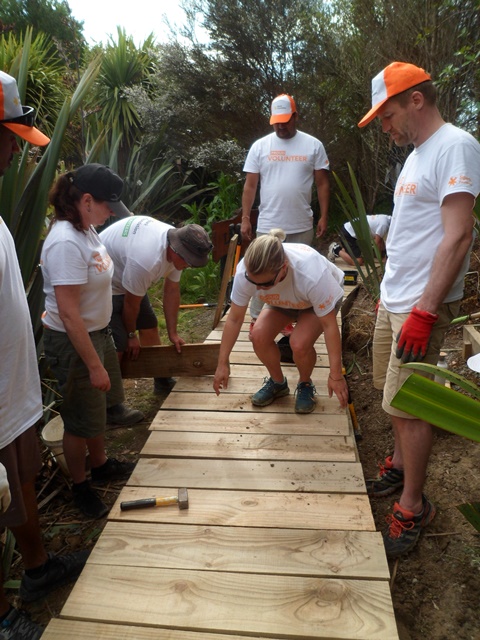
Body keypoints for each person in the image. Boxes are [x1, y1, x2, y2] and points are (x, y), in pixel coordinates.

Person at [358, 61, 480, 558]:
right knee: (390, 396)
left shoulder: (455, 145)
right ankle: (399, 464)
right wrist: (389, 284)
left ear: (415, 99)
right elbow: (416, 229)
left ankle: (413, 506)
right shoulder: (415, 156)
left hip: (419, 306)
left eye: (386, 116)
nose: (384, 128)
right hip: (395, 297)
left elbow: (459, 234)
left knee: (409, 406)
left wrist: (426, 311)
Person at [0, 71, 88, 639]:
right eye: (9, 138)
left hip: (14, 396)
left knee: (22, 484)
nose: (16, 152)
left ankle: (36, 571)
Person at [40, 164, 143, 520]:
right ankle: (80, 486)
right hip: (73, 342)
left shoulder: (87, 230)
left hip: (95, 333)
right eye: (107, 205)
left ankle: (99, 465)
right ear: (86, 201)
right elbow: (69, 314)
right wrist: (95, 365)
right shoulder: (65, 242)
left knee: (96, 408)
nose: (111, 212)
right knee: (79, 419)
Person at [213, 229, 349, 414]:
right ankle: (278, 383)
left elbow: (329, 326)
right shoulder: (246, 271)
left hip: (317, 298)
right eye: (254, 283)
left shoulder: (311, 273)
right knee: (258, 336)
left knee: (299, 343)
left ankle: (305, 383)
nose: (258, 289)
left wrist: (336, 375)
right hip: (284, 298)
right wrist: (222, 362)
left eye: (265, 284)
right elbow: (235, 319)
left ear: (284, 267)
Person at [240, 94, 331, 330]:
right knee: (262, 271)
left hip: (301, 224)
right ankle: (256, 319)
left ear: (295, 116)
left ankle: (294, 320)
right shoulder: (260, 146)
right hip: (268, 224)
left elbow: (322, 183)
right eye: (276, 122)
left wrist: (324, 216)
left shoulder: (313, 145)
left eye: (285, 120)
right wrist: (245, 218)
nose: (281, 126)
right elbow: (250, 185)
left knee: (298, 275)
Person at [99, 217, 213, 393]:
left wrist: (173, 333)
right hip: (105, 282)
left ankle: (162, 379)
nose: (188, 265)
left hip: (130, 274)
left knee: (149, 325)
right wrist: (131, 335)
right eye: (188, 261)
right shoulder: (146, 261)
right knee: (119, 344)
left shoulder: (178, 245)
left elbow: (172, 291)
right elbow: (130, 304)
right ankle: (111, 400)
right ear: (176, 249)